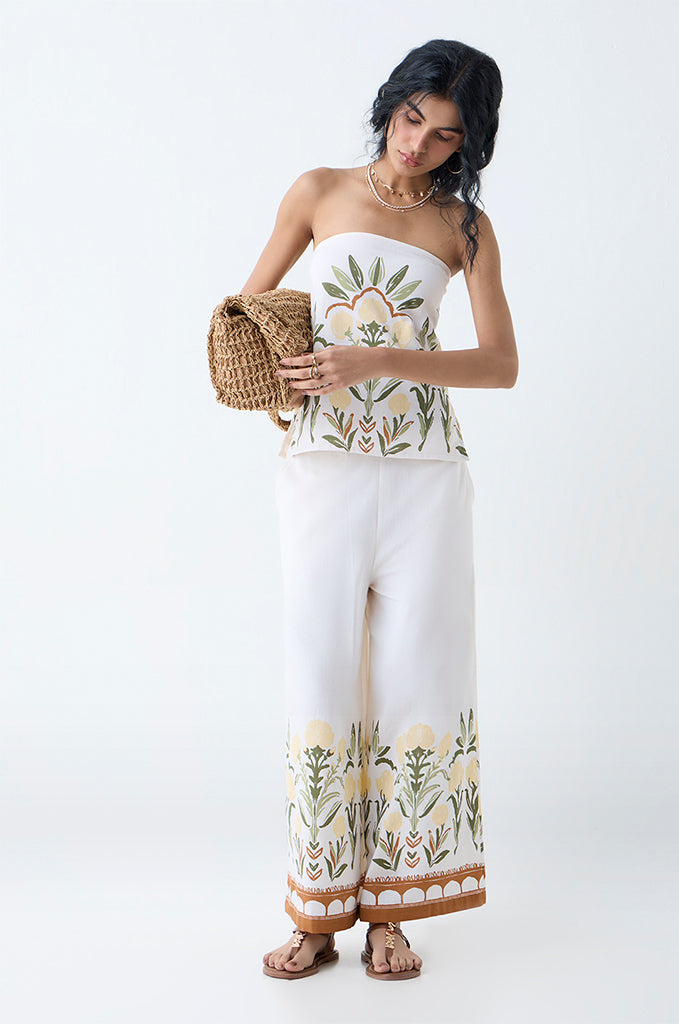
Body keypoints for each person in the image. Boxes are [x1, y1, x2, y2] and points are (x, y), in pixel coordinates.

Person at [241, 38, 518, 980]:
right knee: (319, 673)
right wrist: (282, 381)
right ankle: (316, 911)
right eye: (411, 119)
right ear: (391, 105)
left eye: (445, 136)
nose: (418, 145)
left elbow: (501, 364)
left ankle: (393, 914)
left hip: (425, 478)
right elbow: (245, 312)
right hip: (322, 469)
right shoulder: (318, 191)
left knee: (418, 680)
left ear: (467, 144)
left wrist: (381, 359)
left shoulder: (465, 228)